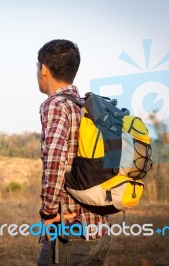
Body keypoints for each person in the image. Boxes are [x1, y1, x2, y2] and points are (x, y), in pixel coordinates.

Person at [36, 39, 111, 265]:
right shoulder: (86, 105)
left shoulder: (56, 105)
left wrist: (48, 213)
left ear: (45, 70)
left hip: (70, 230)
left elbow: (55, 163)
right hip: (99, 227)